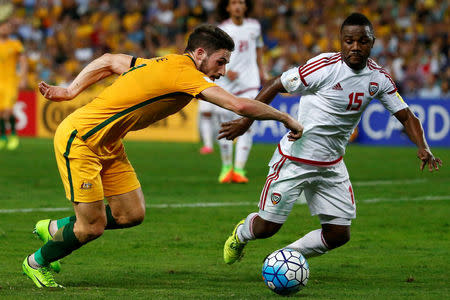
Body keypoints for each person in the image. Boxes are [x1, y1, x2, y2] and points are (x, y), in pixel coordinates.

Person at [21, 24, 302, 288]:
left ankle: (56, 228)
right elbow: (239, 104)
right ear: (200, 54)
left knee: (131, 214)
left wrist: (72, 90)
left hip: (109, 144)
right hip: (80, 139)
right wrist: (284, 117)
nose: (224, 69)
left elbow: (108, 60)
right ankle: (37, 262)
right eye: (221, 61)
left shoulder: (162, 63)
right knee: (92, 227)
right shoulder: (184, 74)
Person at [220, 13, 442, 265]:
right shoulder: (324, 67)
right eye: (349, 41)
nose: (355, 47)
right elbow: (275, 84)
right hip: (295, 159)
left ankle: (285, 258)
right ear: (340, 42)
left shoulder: (378, 78)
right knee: (267, 227)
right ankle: (240, 234)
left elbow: (406, 116)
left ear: (372, 42)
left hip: (331, 165)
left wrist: (423, 146)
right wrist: (245, 121)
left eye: (363, 41)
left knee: (338, 234)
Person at [0, 19, 27, 150]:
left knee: (8, 110)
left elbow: (23, 61)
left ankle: (14, 135)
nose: (4, 28)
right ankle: (3, 137)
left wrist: (23, 77)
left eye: (7, 26)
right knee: (0, 111)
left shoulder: (15, 44)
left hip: (10, 82)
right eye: (2, 26)